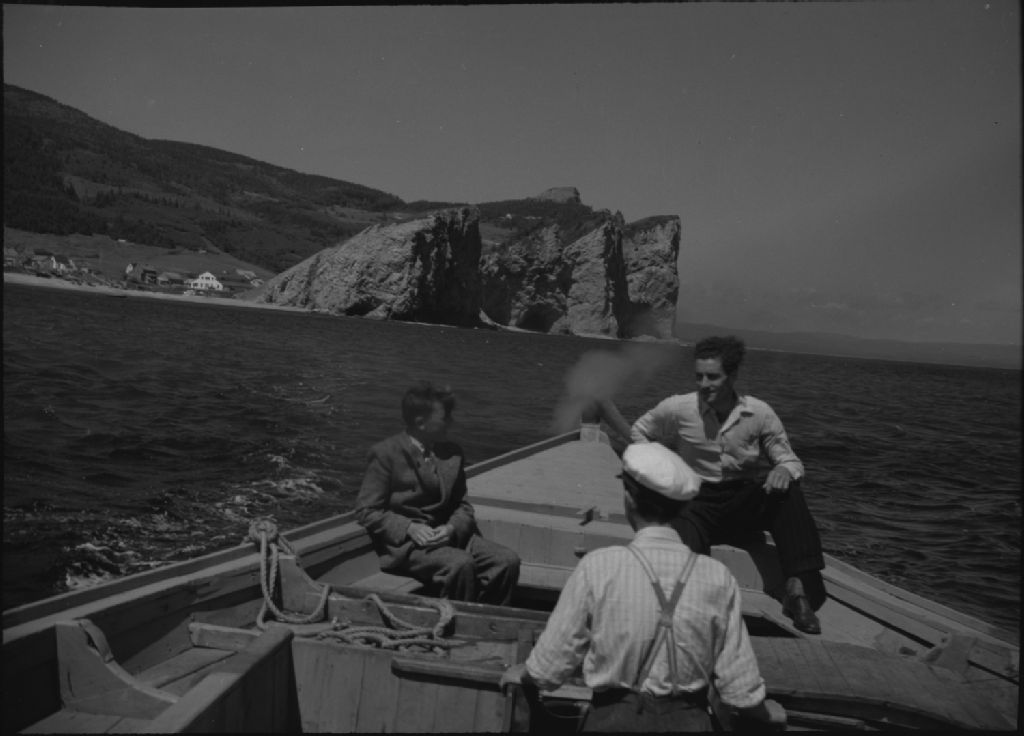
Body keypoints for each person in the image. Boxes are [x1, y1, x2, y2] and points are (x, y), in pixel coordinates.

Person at [500, 443, 783, 732]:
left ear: (628, 498)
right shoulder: (718, 577)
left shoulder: (599, 567)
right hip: (689, 721)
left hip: (611, 721)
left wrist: (524, 674)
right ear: (684, 507)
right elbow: (740, 688)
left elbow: (549, 667)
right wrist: (767, 713)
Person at [630, 335, 825, 634]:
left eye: (713, 377)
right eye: (699, 376)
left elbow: (790, 460)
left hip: (739, 501)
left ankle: (799, 592)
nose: (704, 384)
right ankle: (694, 602)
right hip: (696, 501)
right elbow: (640, 431)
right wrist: (661, 470)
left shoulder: (758, 413)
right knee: (681, 520)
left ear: (732, 376)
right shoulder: (678, 407)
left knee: (789, 494)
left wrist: (784, 470)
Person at [355, 381, 520, 605]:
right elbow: (366, 510)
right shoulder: (386, 454)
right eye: (445, 417)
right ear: (420, 423)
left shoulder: (453, 453)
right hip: (410, 546)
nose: (451, 422)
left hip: (450, 537)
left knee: (507, 561)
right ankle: (455, 621)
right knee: (460, 564)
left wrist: (451, 529)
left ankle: (487, 617)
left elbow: (463, 506)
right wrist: (410, 528)